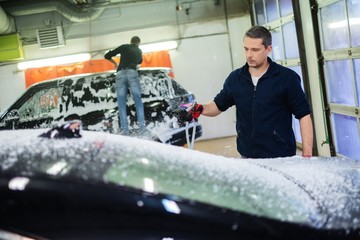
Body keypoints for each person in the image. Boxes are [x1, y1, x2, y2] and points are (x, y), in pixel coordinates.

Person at [185, 26, 313, 158]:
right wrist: (198, 109)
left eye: (255, 50)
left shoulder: (287, 78)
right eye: (246, 49)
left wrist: (307, 154)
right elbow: (217, 106)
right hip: (246, 156)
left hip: (281, 155)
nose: (249, 55)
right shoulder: (235, 79)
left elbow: (303, 115)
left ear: (268, 49)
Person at [104, 36, 146, 135]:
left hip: (120, 74)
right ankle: (142, 128)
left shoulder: (124, 47)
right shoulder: (138, 51)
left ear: (130, 41)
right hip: (132, 73)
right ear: (138, 43)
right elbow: (140, 61)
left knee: (121, 103)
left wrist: (116, 64)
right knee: (138, 101)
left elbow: (107, 56)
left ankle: (125, 130)